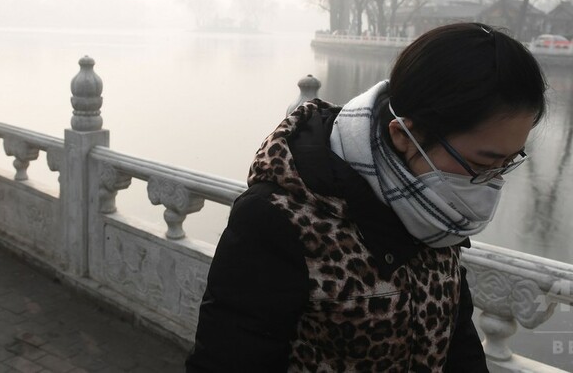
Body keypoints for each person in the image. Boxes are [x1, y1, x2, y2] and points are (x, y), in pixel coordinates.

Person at [185, 22, 548, 372]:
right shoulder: (279, 219)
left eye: (507, 163)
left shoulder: (438, 214)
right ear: (405, 135)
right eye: (481, 163)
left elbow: (458, 347)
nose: (492, 182)